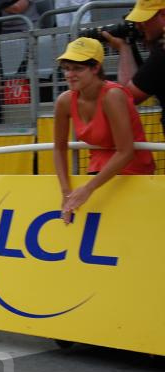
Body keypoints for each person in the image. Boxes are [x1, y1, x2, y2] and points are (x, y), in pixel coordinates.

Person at [53, 37, 155, 223]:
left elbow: (126, 152)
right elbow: (59, 148)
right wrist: (66, 191)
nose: (69, 74)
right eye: (66, 68)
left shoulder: (113, 96)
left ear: (95, 68)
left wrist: (88, 188)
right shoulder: (64, 101)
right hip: (98, 169)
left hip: (132, 170)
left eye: (77, 68)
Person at [103, 0, 165, 137]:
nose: (138, 26)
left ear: (163, 14)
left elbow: (126, 97)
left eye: (144, 20)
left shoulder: (162, 54)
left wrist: (124, 48)